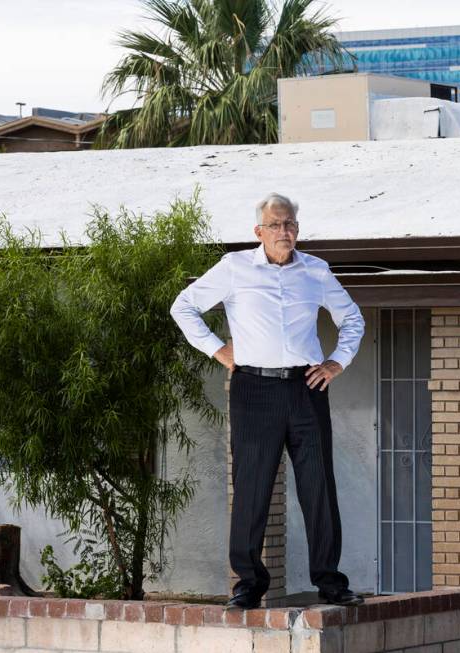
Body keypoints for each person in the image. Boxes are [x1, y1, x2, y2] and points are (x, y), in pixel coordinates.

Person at [170, 192, 365, 609]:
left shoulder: (316, 271)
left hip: (307, 388)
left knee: (318, 487)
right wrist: (217, 349)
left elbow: (352, 319)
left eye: (290, 223)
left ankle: (330, 582)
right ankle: (248, 584)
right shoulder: (234, 268)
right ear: (258, 232)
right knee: (252, 486)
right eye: (275, 225)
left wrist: (336, 363)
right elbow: (183, 306)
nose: (284, 231)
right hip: (254, 390)